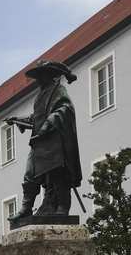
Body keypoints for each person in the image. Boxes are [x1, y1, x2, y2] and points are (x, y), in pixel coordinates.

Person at [7, 60, 82, 221]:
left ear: (49, 75)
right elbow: (36, 118)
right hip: (39, 142)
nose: (38, 80)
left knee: (57, 174)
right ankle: (26, 209)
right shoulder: (39, 96)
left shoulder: (58, 90)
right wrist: (18, 120)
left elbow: (65, 109)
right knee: (29, 174)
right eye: (38, 76)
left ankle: (62, 207)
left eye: (40, 75)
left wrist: (48, 124)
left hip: (54, 142)